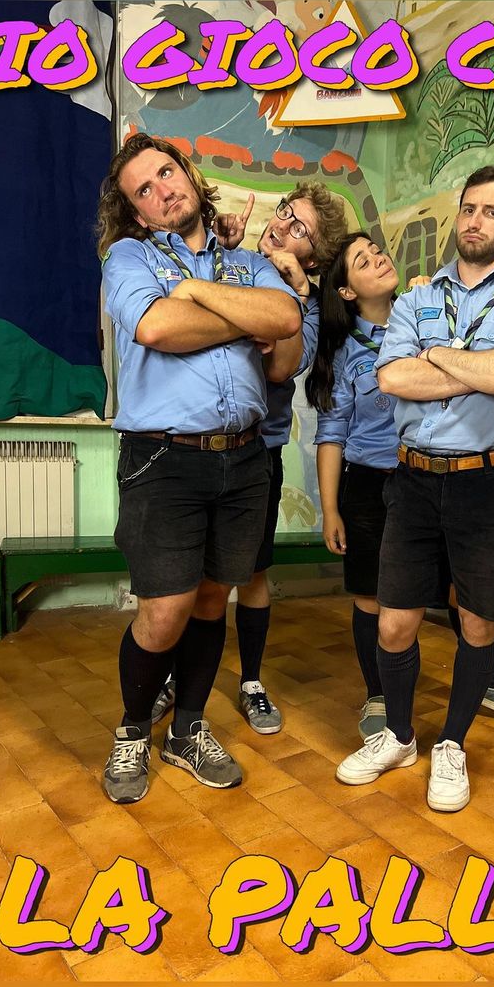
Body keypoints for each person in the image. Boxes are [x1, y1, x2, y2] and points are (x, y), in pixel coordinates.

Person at [335, 164, 494, 812]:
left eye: (491, 212)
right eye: (469, 208)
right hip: (413, 478)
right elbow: (392, 380)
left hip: (488, 481)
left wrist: (434, 355)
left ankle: (452, 744)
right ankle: (401, 736)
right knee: (396, 621)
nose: (474, 220)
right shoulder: (414, 299)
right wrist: (476, 369)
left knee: (478, 621)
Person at [97, 133, 301, 803]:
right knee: (166, 609)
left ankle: (186, 729)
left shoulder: (247, 262)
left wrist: (197, 293)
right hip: (163, 458)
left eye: (166, 172)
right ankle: (132, 733)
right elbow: (156, 329)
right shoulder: (127, 257)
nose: (163, 190)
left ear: (187, 171)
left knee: (214, 598)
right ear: (135, 213)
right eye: (144, 191)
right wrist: (242, 321)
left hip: (242, 459)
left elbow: (285, 318)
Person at [150, 181, 348, 735]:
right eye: (286, 213)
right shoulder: (226, 258)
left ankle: (252, 681)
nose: (282, 226)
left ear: (314, 255)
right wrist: (227, 254)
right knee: (187, 580)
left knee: (250, 575)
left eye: (300, 228)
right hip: (191, 445)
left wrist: (294, 293)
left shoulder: (303, 305)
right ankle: (171, 676)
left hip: (256, 452)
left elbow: (279, 367)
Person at [306, 231, 399, 739]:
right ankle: (379, 695)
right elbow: (331, 434)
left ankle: (489, 680)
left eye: (377, 251)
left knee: (453, 589)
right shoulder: (343, 353)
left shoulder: (422, 322)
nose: (379, 259)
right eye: (363, 261)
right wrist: (330, 509)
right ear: (346, 291)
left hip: (427, 479)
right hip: (367, 487)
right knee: (371, 597)